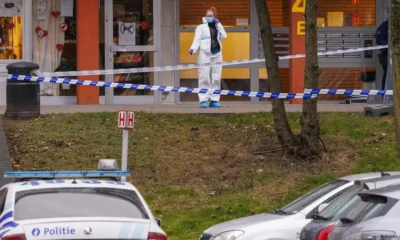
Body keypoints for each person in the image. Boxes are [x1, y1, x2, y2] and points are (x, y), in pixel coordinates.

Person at [189, 7, 227, 108]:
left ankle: (214, 100)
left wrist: (219, 24)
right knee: (204, 77)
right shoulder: (200, 27)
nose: (209, 17)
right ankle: (203, 99)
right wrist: (193, 49)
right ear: (205, 16)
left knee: (216, 77)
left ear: (214, 17)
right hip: (204, 53)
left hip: (217, 53)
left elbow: (224, 36)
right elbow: (197, 39)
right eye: (208, 16)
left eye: (211, 16)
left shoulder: (217, 26)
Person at [376, 8, 389, 90]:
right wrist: (390, 45)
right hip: (388, 55)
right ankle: (385, 96)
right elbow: (379, 40)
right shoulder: (384, 26)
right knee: (387, 75)